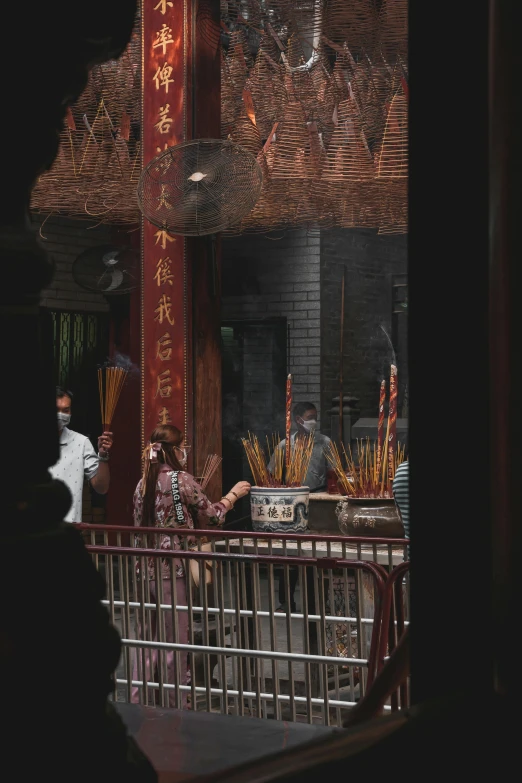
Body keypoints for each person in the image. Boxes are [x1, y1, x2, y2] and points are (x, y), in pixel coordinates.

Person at [131, 424, 250, 708]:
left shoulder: (142, 482)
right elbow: (212, 517)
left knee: (146, 641)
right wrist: (232, 497)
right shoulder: (180, 480)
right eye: (183, 447)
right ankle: (175, 703)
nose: (186, 452)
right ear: (174, 450)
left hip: (142, 569)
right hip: (172, 571)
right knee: (175, 640)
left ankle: (140, 700)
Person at [268, 401, 332, 612]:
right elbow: (272, 477)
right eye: (310, 417)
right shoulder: (285, 445)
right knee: (290, 556)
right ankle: (286, 602)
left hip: (318, 503)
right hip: (292, 503)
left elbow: (334, 474)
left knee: (318, 554)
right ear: (298, 420)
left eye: (315, 416)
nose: (314, 421)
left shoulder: (324, 442)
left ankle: (320, 603)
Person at [49, 386, 113, 522]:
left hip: (67, 531)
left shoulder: (81, 442)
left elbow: (101, 488)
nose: (61, 415)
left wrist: (102, 456)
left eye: (66, 410)